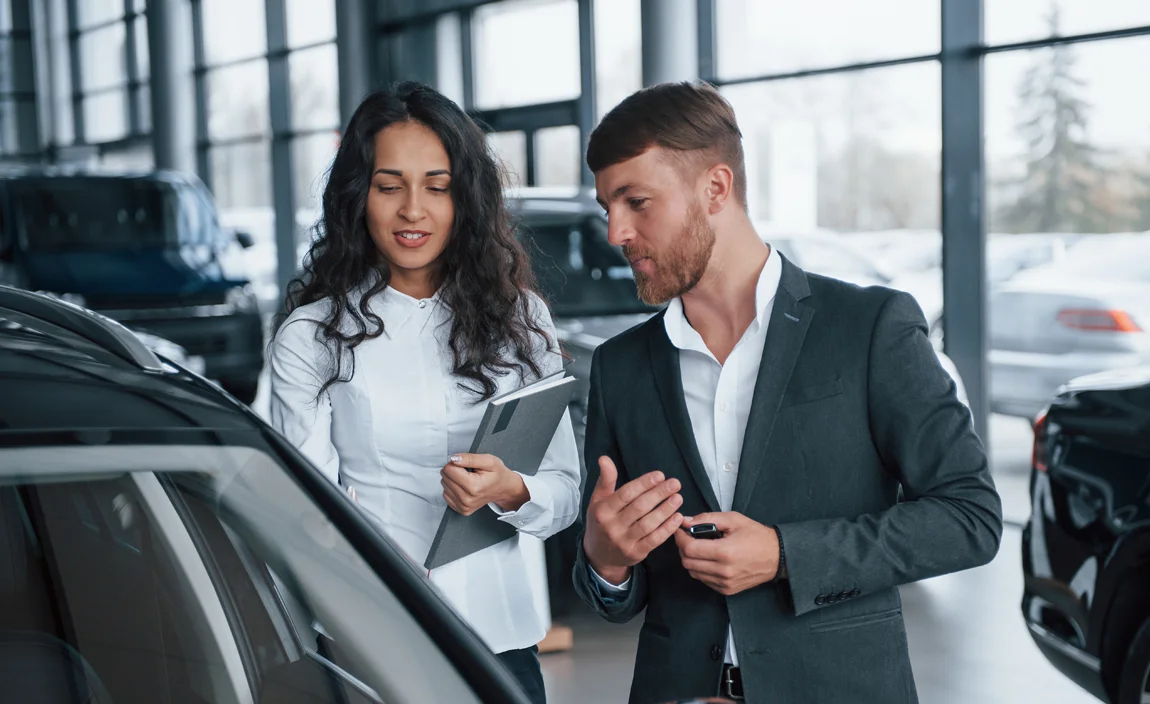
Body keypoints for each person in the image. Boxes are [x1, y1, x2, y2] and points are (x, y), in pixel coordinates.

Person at [571, 81, 1003, 704]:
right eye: (608, 205)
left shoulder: (869, 327)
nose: (616, 231)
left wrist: (784, 555)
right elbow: (617, 592)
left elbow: (970, 517)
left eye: (636, 202)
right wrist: (606, 560)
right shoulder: (620, 366)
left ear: (715, 188)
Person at [269, 82, 579, 704]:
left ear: (465, 199)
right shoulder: (312, 335)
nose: (413, 210)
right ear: (359, 197)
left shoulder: (523, 320)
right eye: (390, 187)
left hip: (498, 636)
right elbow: (300, 512)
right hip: (372, 636)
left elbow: (565, 491)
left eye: (437, 187)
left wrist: (510, 490)